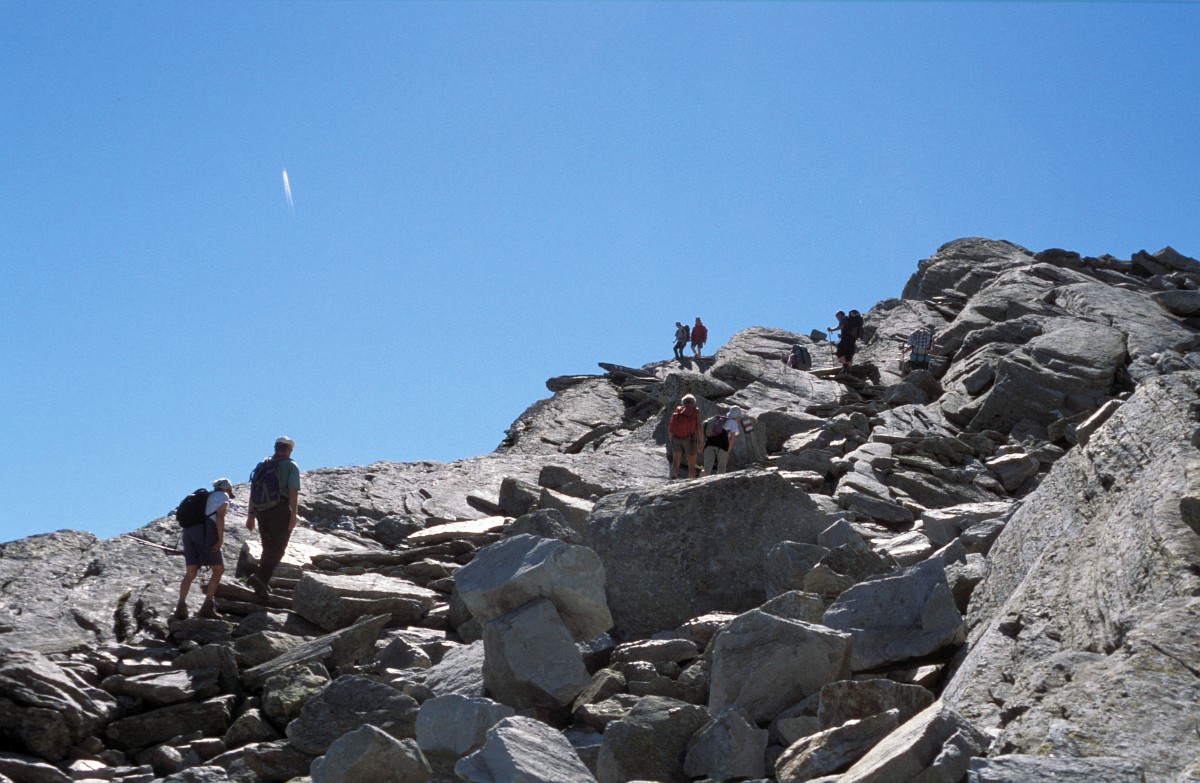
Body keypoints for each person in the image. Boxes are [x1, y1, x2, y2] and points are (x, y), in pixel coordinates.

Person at [244, 436, 300, 600]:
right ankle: (260, 578)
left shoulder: (263, 465)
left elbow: (253, 491)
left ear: (276, 448)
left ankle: (262, 583)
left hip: (261, 511)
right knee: (278, 547)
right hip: (279, 509)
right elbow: (292, 491)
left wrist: (250, 515)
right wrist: (294, 514)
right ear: (288, 450)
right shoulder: (290, 465)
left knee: (268, 546)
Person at [175, 478, 234, 620]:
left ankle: (180, 607)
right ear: (227, 489)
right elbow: (220, 517)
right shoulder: (222, 496)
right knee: (218, 569)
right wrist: (220, 539)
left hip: (188, 532)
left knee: (191, 571)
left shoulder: (204, 497)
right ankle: (207, 606)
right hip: (206, 531)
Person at [668, 394, 703, 479]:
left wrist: (671, 440)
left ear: (683, 402)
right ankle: (691, 483)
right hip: (689, 439)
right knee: (691, 465)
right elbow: (698, 428)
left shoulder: (677, 411)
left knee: (675, 463)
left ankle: (672, 480)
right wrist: (701, 442)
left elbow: (670, 428)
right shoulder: (695, 412)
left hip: (676, 438)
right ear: (693, 403)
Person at [702, 406, 745, 475]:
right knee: (721, 466)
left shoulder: (720, 420)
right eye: (739, 417)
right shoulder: (733, 423)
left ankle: (702, 480)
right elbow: (732, 438)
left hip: (709, 443)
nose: (739, 419)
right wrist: (728, 451)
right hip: (722, 445)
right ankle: (720, 481)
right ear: (737, 417)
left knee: (707, 468)